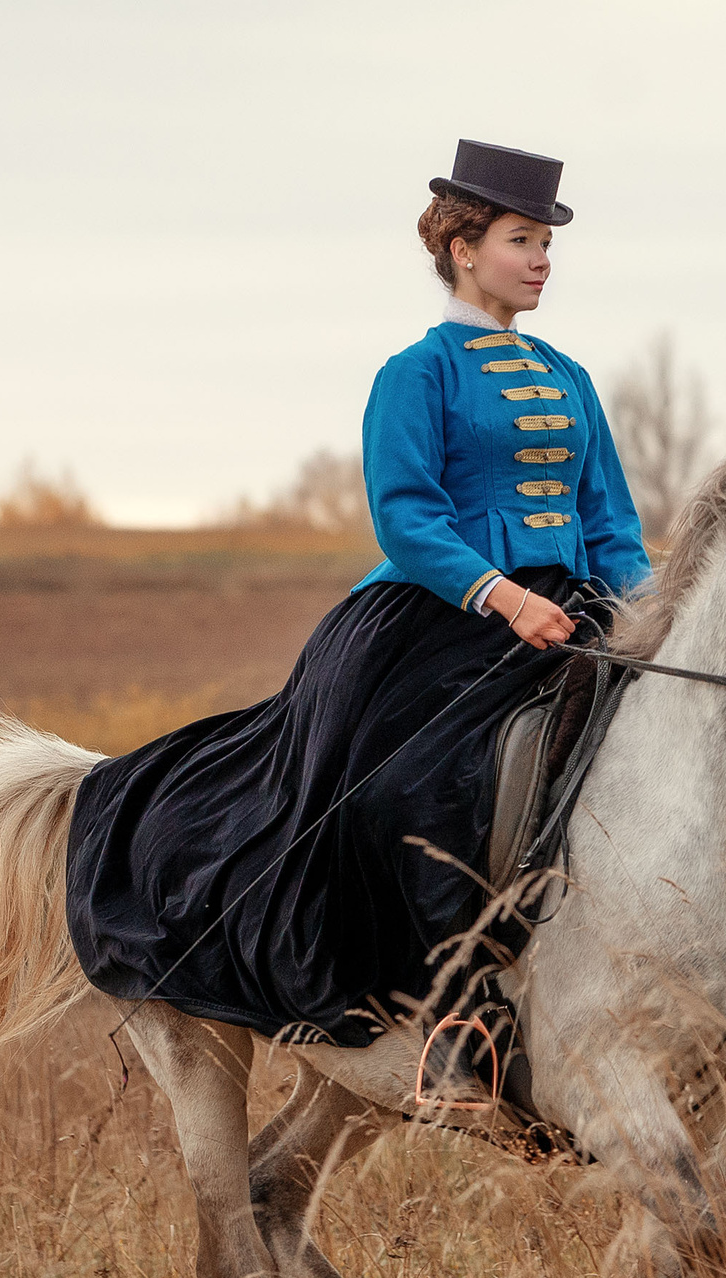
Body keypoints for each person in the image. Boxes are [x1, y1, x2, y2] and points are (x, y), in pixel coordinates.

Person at [65, 140, 650, 1102]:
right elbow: (408, 520)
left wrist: (647, 615)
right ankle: (456, 1013)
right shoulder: (416, 375)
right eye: (521, 240)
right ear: (464, 250)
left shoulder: (571, 376)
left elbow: (611, 524)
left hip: (573, 610)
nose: (542, 259)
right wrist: (505, 596)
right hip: (440, 618)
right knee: (412, 785)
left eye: (547, 242)